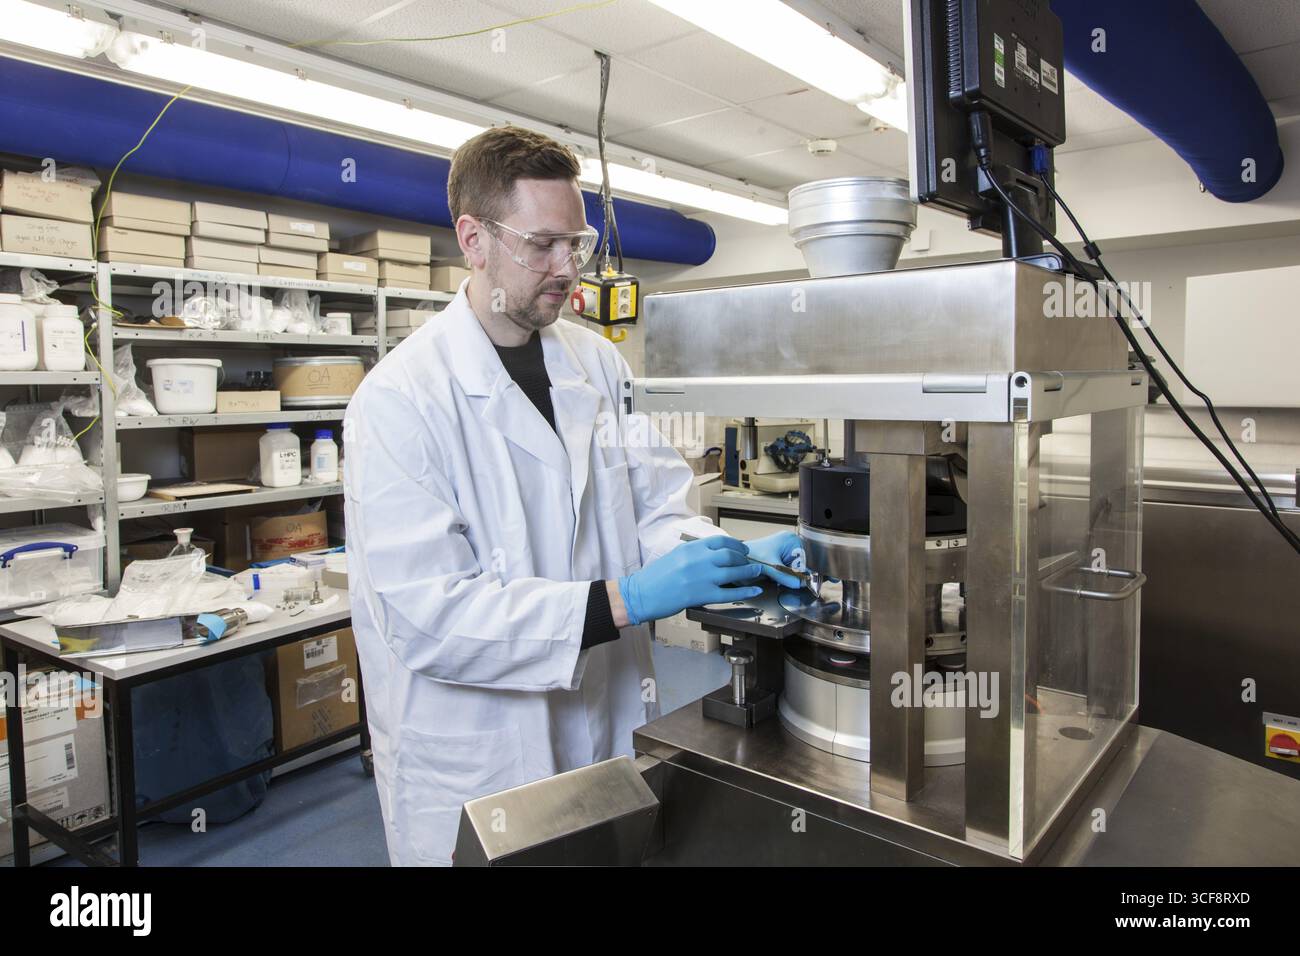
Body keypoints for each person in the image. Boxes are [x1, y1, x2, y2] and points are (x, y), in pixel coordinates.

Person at [343, 125, 802, 866]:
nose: (568, 269)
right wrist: (620, 601)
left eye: (577, 244)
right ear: (474, 238)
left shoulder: (597, 362)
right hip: (480, 755)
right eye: (544, 245)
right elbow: (428, 616)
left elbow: (656, 508)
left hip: (606, 718)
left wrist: (725, 558)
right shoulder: (399, 401)